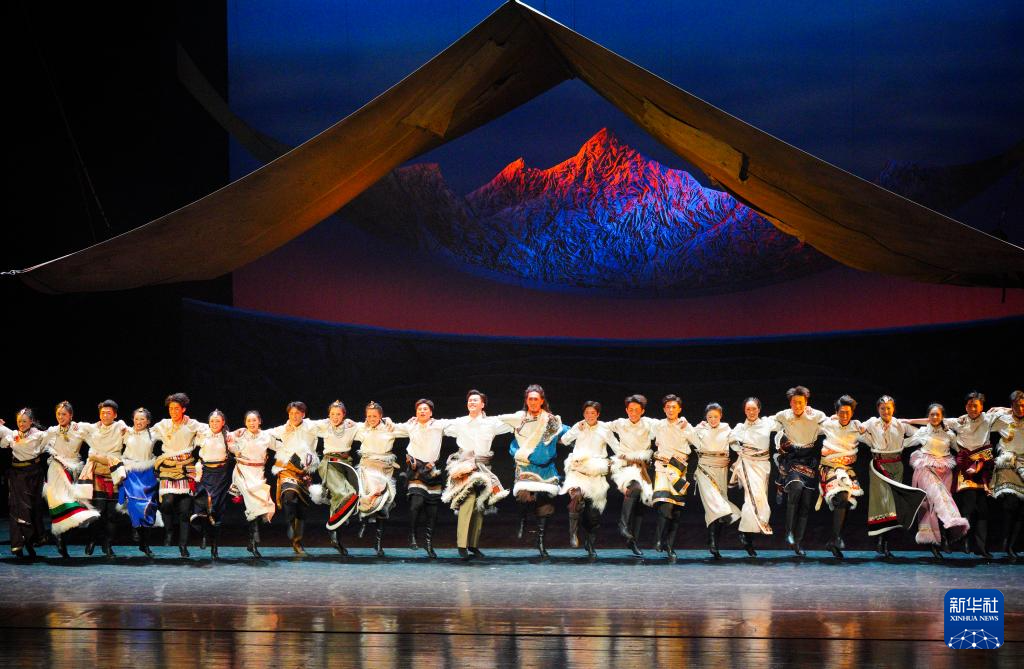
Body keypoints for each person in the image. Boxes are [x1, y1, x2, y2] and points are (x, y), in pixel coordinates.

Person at [496, 385, 566, 559]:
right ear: (526, 401)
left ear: (542, 401)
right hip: (526, 465)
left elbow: (569, 433)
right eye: (530, 399)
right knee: (523, 495)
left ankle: (540, 540)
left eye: (536, 399)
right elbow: (496, 422)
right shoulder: (519, 418)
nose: (533, 402)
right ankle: (522, 517)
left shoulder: (550, 420)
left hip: (545, 468)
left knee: (545, 504)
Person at [441, 390, 512, 560]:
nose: (472, 402)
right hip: (464, 466)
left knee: (480, 504)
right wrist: (420, 422)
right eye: (470, 400)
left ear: (482, 404)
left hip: (483, 466)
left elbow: (514, 423)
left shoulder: (491, 423)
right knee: (468, 500)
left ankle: (473, 544)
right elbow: (439, 426)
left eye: (475, 400)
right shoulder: (459, 422)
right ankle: (462, 545)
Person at [857, 395, 925, 559]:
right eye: (882, 408)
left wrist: (904, 443)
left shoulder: (900, 424)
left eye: (888, 408)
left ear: (893, 409)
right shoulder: (872, 422)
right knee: (882, 503)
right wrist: (868, 439)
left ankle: (886, 543)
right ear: (878, 409)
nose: (885, 411)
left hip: (896, 465)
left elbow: (922, 435)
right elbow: (857, 429)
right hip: (878, 465)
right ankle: (880, 541)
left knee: (893, 504)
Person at [906, 403, 970, 559]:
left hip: (945, 471)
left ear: (942, 417)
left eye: (937, 415)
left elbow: (960, 449)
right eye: (932, 414)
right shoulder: (922, 431)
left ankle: (944, 537)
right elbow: (906, 443)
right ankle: (934, 543)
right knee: (932, 502)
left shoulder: (949, 434)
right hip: (926, 469)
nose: (934, 417)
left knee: (940, 504)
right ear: (928, 416)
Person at [391, 399, 452, 559]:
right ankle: (412, 535)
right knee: (416, 503)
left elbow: (458, 424)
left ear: (431, 412)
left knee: (433, 511)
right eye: (419, 409)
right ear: (416, 412)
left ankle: (428, 543)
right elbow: (392, 427)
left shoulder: (438, 425)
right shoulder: (411, 425)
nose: (422, 411)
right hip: (416, 469)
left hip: (431, 470)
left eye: (425, 409)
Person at [943, 391, 1001, 559]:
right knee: (969, 505)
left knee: (983, 508)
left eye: (975, 405)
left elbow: (1013, 412)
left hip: (983, 467)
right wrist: (906, 421)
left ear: (982, 407)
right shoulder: (960, 421)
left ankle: (981, 547)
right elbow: (937, 419)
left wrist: (1000, 408)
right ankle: (964, 540)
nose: (972, 408)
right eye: (969, 405)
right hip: (966, 465)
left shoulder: (989, 419)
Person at [560, 400, 619, 559]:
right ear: (583, 414)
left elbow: (617, 448)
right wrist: (575, 430)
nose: (590, 416)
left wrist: (612, 462)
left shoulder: (604, 429)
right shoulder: (579, 426)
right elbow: (564, 440)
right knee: (576, 496)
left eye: (593, 413)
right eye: (587, 413)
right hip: (578, 470)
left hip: (595, 472)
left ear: (598, 414)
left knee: (592, 514)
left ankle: (590, 543)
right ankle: (573, 533)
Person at [772, 386, 826, 557]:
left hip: (809, 460)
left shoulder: (815, 415)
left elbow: (830, 424)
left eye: (801, 402)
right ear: (790, 403)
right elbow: (769, 422)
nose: (797, 405)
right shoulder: (784, 415)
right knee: (795, 488)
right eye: (794, 402)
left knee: (806, 504)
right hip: (793, 459)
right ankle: (788, 532)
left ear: (806, 402)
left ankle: (798, 541)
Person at [42, 401, 98, 557]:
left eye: (64, 414)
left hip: (73, 470)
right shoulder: (52, 431)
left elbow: (98, 432)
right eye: (58, 414)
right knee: (59, 502)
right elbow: (36, 440)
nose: (61, 417)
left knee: (75, 507)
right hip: (56, 469)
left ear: (71, 415)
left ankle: (67, 537)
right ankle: (59, 538)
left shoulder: (79, 429)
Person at [151, 393, 203, 557]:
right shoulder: (163, 424)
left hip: (186, 467)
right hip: (168, 467)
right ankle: (169, 530)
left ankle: (183, 546)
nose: (173, 411)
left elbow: (210, 430)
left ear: (183, 409)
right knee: (167, 502)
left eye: (176, 408)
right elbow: (147, 435)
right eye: (171, 409)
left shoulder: (192, 424)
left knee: (185, 510)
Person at [608, 395, 658, 557]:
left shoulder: (649, 423)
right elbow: (600, 426)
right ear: (626, 410)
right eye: (630, 410)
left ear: (642, 411)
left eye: (637, 410)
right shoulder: (620, 423)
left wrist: (683, 421)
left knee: (640, 506)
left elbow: (667, 425)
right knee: (634, 488)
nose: (633, 413)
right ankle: (622, 525)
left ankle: (633, 541)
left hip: (642, 467)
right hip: (625, 467)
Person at [268, 401, 320, 556]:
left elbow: (329, 423)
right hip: (287, 469)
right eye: (291, 413)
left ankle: (297, 541)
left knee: (301, 508)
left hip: (304, 471)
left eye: (297, 413)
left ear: (303, 414)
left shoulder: (311, 426)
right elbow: (263, 435)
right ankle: (290, 523)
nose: (294, 416)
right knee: (289, 496)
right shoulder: (283, 429)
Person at [78, 399, 128, 557]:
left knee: (112, 514)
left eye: (109, 413)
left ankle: (108, 545)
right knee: (98, 510)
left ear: (115, 415)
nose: (105, 415)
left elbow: (131, 433)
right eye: (103, 413)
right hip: (97, 472)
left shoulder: (119, 427)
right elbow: (75, 427)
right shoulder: (92, 428)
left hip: (114, 473)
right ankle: (92, 539)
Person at [817, 395, 865, 559]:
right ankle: (835, 538)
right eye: (841, 412)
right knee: (842, 497)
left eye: (848, 412)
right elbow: (810, 425)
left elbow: (873, 435)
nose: (844, 415)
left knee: (844, 500)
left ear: (852, 413)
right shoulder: (828, 424)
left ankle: (834, 540)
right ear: (836, 412)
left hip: (846, 470)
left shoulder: (856, 427)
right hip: (828, 467)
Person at [311, 400, 361, 555]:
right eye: (332, 414)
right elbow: (305, 424)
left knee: (352, 495)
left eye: (338, 414)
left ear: (344, 415)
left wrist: (387, 421)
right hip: (330, 463)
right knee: (342, 494)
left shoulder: (351, 427)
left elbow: (371, 424)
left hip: (345, 464)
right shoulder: (324, 425)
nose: (335, 417)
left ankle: (335, 536)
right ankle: (333, 529)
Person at [727, 397, 774, 557]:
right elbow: (731, 439)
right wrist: (739, 451)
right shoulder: (741, 427)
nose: (751, 412)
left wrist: (808, 411)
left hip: (763, 466)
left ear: (759, 409)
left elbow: (786, 419)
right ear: (744, 411)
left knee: (760, 500)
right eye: (748, 409)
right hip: (747, 464)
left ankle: (747, 536)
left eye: (754, 409)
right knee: (753, 498)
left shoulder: (767, 423)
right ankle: (745, 535)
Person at [693, 403, 741, 559]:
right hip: (705, 470)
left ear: (721, 416)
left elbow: (736, 446)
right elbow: (686, 438)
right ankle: (714, 541)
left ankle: (713, 542)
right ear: (705, 417)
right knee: (716, 505)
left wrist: (743, 455)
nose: (713, 419)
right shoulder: (700, 429)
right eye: (710, 417)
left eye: (715, 416)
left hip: (721, 471)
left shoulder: (727, 429)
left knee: (716, 510)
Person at [0, 409, 50, 558]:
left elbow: (53, 437)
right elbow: (3, 440)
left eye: (24, 421)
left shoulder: (39, 435)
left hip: (34, 473)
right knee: (19, 508)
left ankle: (31, 540)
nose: (21, 424)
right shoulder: (13, 434)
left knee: (34, 508)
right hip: (18, 475)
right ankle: (18, 543)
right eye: (19, 421)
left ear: (31, 421)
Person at [650, 395, 694, 561]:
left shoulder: (685, 425)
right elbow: (640, 429)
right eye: (668, 407)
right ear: (664, 409)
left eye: (674, 407)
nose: (671, 409)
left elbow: (698, 442)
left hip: (679, 470)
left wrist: (689, 426)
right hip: (663, 469)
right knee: (666, 505)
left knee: (676, 511)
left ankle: (669, 545)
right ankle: (659, 538)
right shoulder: (658, 425)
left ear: (679, 409)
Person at [353, 401, 401, 557]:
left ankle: (378, 542)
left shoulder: (389, 428)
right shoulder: (361, 428)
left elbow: (409, 429)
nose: (371, 419)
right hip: (367, 466)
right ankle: (364, 520)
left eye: (375, 416)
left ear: (381, 416)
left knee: (383, 503)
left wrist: (389, 421)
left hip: (384, 468)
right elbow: (343, 426)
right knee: (367, 496)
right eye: (369, 416)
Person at [230, 410, 276, 558]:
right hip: (243, 472)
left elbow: (282, 447)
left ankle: (251, 542)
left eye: (254, 420)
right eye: (249, 421)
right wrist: (234, 449)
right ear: (245, 423)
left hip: (258, 474)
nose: (252, 423)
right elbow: (224, 438)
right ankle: (255, 541)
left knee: (263, 508)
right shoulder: (240, 434)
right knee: (253, 505)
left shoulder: (266, 436)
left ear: (260, 421)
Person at [190, 410, 234, 559]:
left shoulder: (228, 437)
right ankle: (204, 534)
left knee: (216, 511)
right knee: (203, 508)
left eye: (218, 421)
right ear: (208, 422)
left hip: (220, 476)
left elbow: (239, 450)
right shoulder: (202, 434)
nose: (215, 423)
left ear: (223, 422)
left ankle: (214, 546)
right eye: (212, 421)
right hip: (205, 474)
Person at [119, 407, 161, 557]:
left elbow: (172, 434)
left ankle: (145, 543)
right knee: (134, 503)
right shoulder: (126, 431)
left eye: (142, 419)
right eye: (136, 419)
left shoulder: (154, 433)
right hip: (131, 473)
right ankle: (136, 527)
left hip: (147, 473)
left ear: (148, 421)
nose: (139, 422)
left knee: (149, 506)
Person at [991, 390, 1024, 561]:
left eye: (1023, 405)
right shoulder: (1003, 419)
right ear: (1012, 406)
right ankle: (1004, 538)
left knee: (1022, 508)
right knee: (1011, 502)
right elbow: (983, 422)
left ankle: (1011, 545)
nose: (1020, 408)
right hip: (1008, 461)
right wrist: (1002, 410)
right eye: (1017, 405)